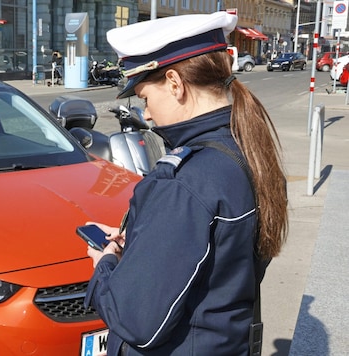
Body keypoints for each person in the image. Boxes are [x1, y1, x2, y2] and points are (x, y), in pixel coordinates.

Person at [83, 12, 288, 355]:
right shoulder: (250, 149)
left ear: (175, 83)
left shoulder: (186, 182)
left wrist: (105, 262)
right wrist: (139, 240)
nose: (146, 114)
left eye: (145, 98)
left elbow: (134, 320)